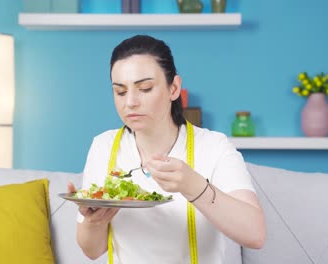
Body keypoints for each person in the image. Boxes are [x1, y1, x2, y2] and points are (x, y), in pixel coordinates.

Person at [70, 34, 266, 263]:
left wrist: (193, 186)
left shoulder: (214, 146)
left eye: (145, 88)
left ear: (174, 88)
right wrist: (95, 221)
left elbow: (255, 234)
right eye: (120, 91)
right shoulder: (103, 146)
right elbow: (92, 251)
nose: (130, 102)